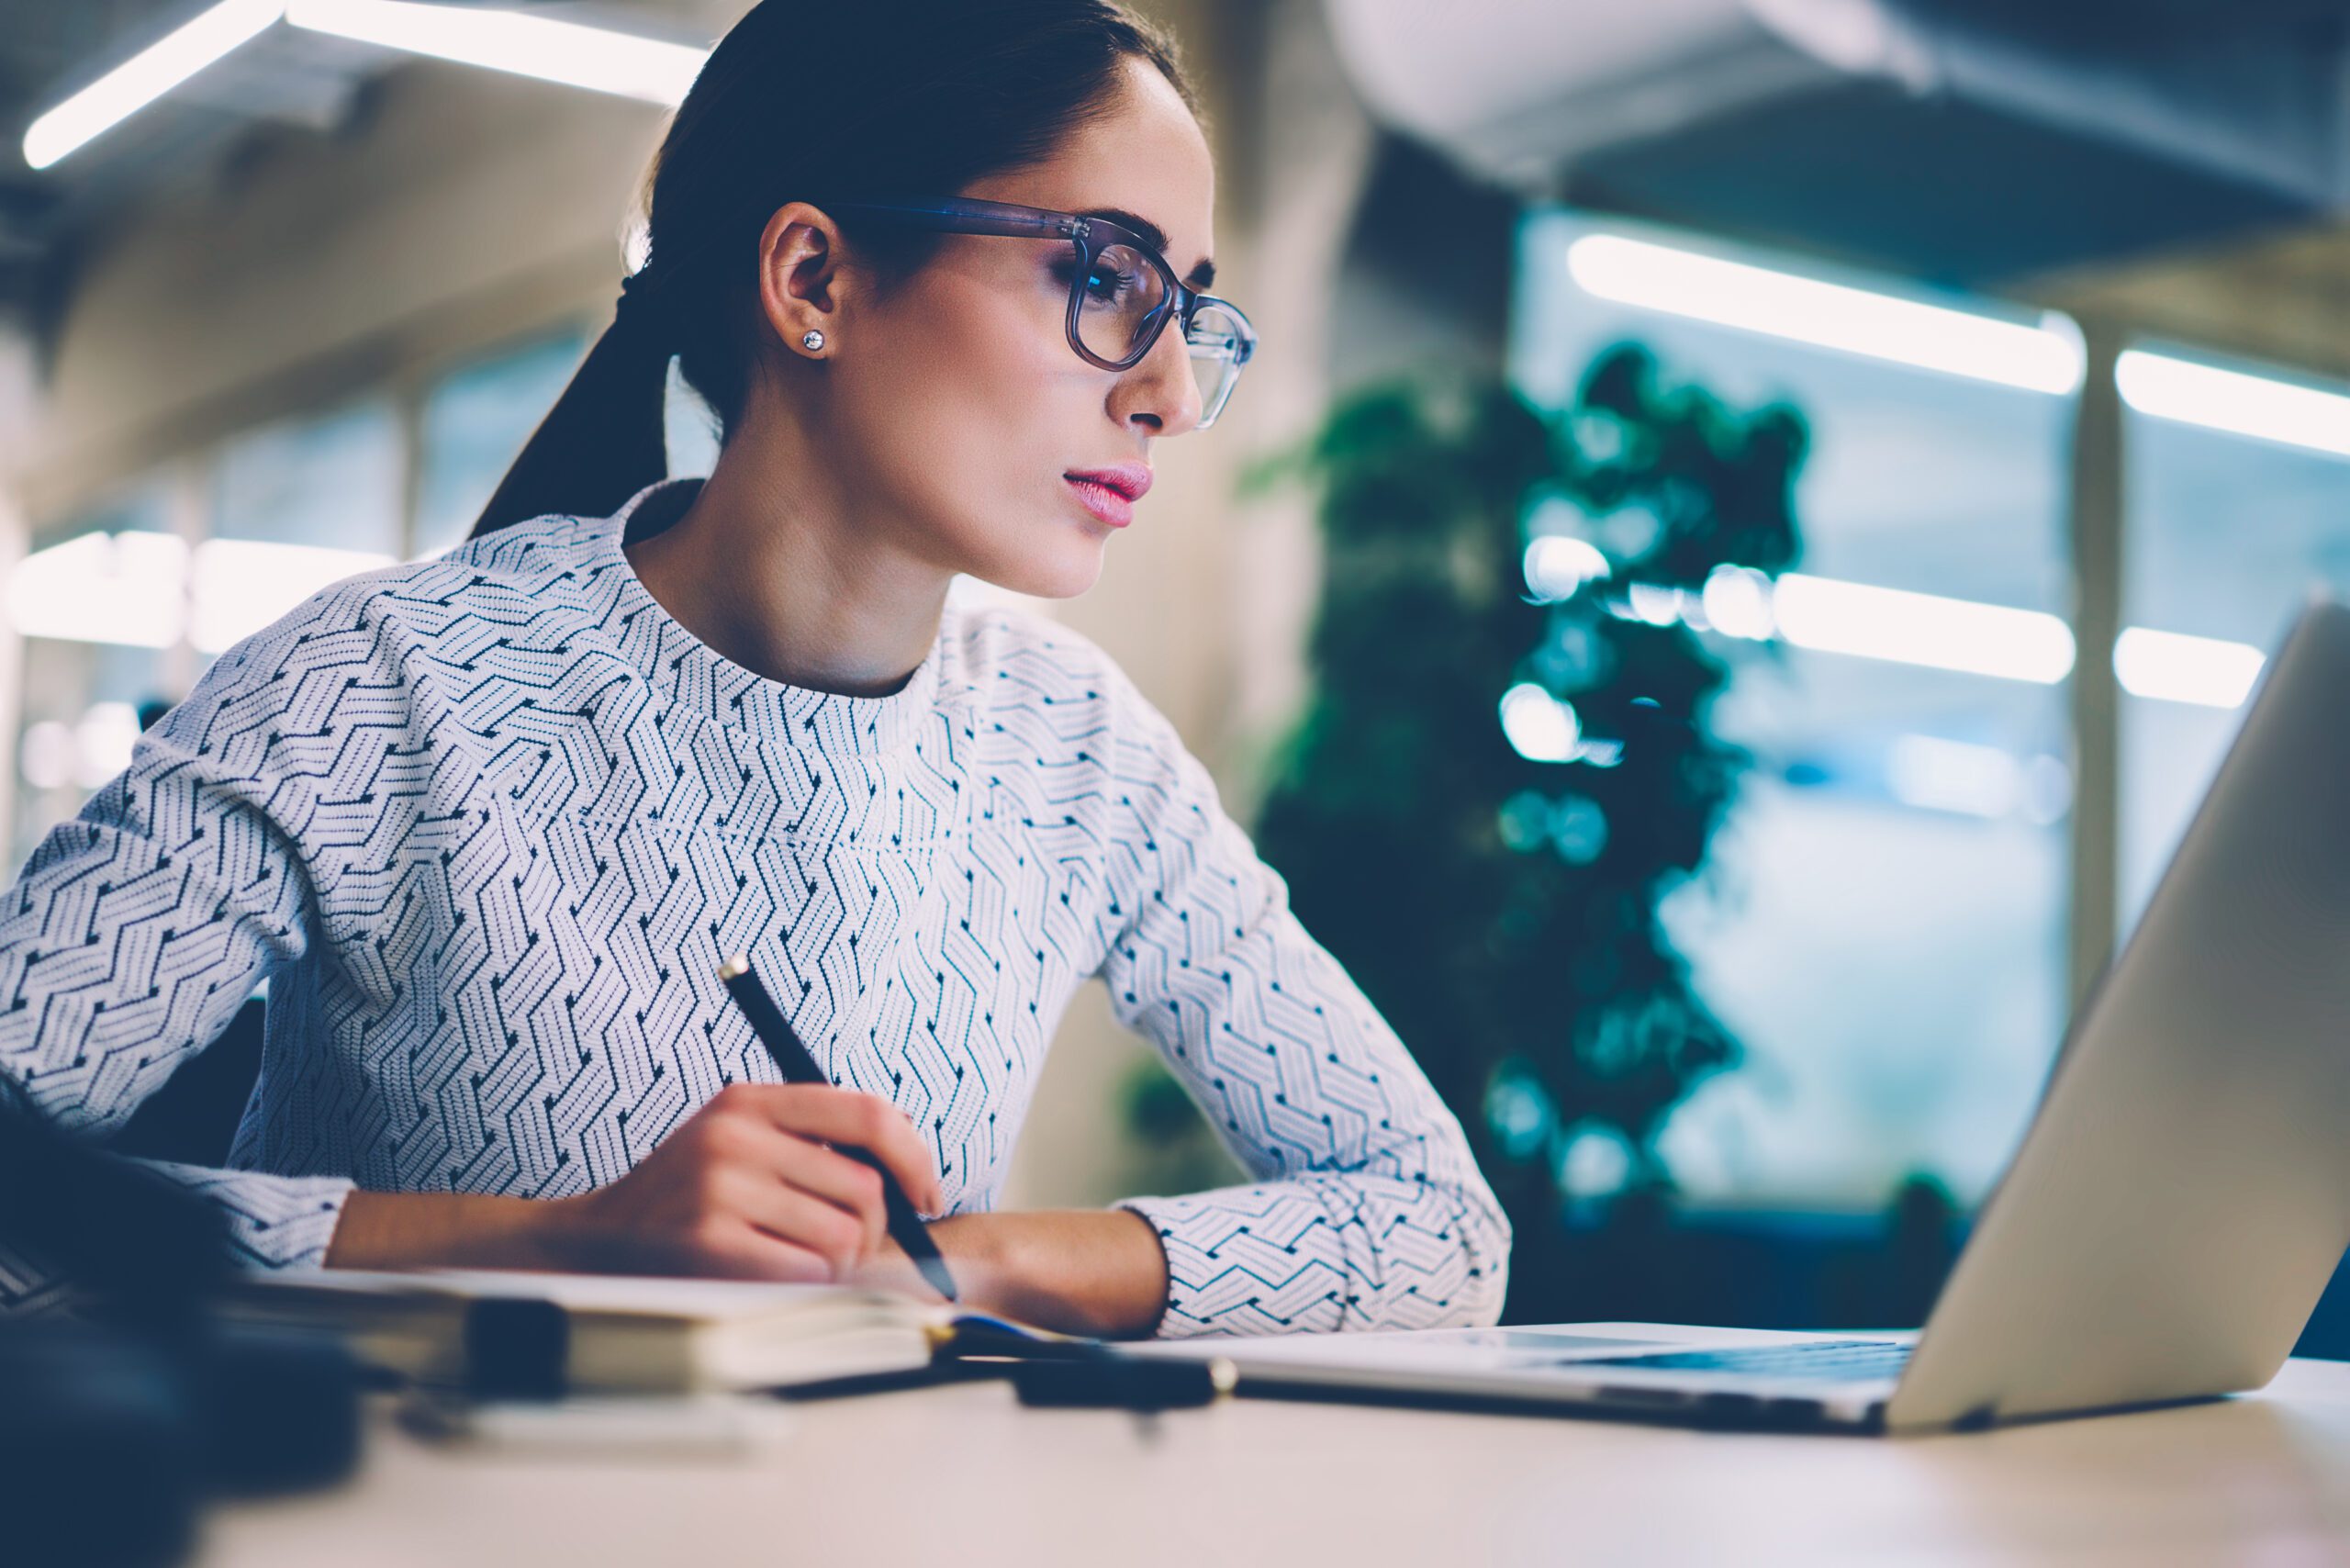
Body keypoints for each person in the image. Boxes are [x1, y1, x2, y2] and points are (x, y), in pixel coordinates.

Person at [0, 0, 1508, 1339]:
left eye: (1190, 310)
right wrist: (560, 1249)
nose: (1170, 390)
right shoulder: (373, 689)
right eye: (1111, 277)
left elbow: (1436, 1224)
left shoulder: (1075, 753)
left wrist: (952, 1268)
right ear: (815, 279)